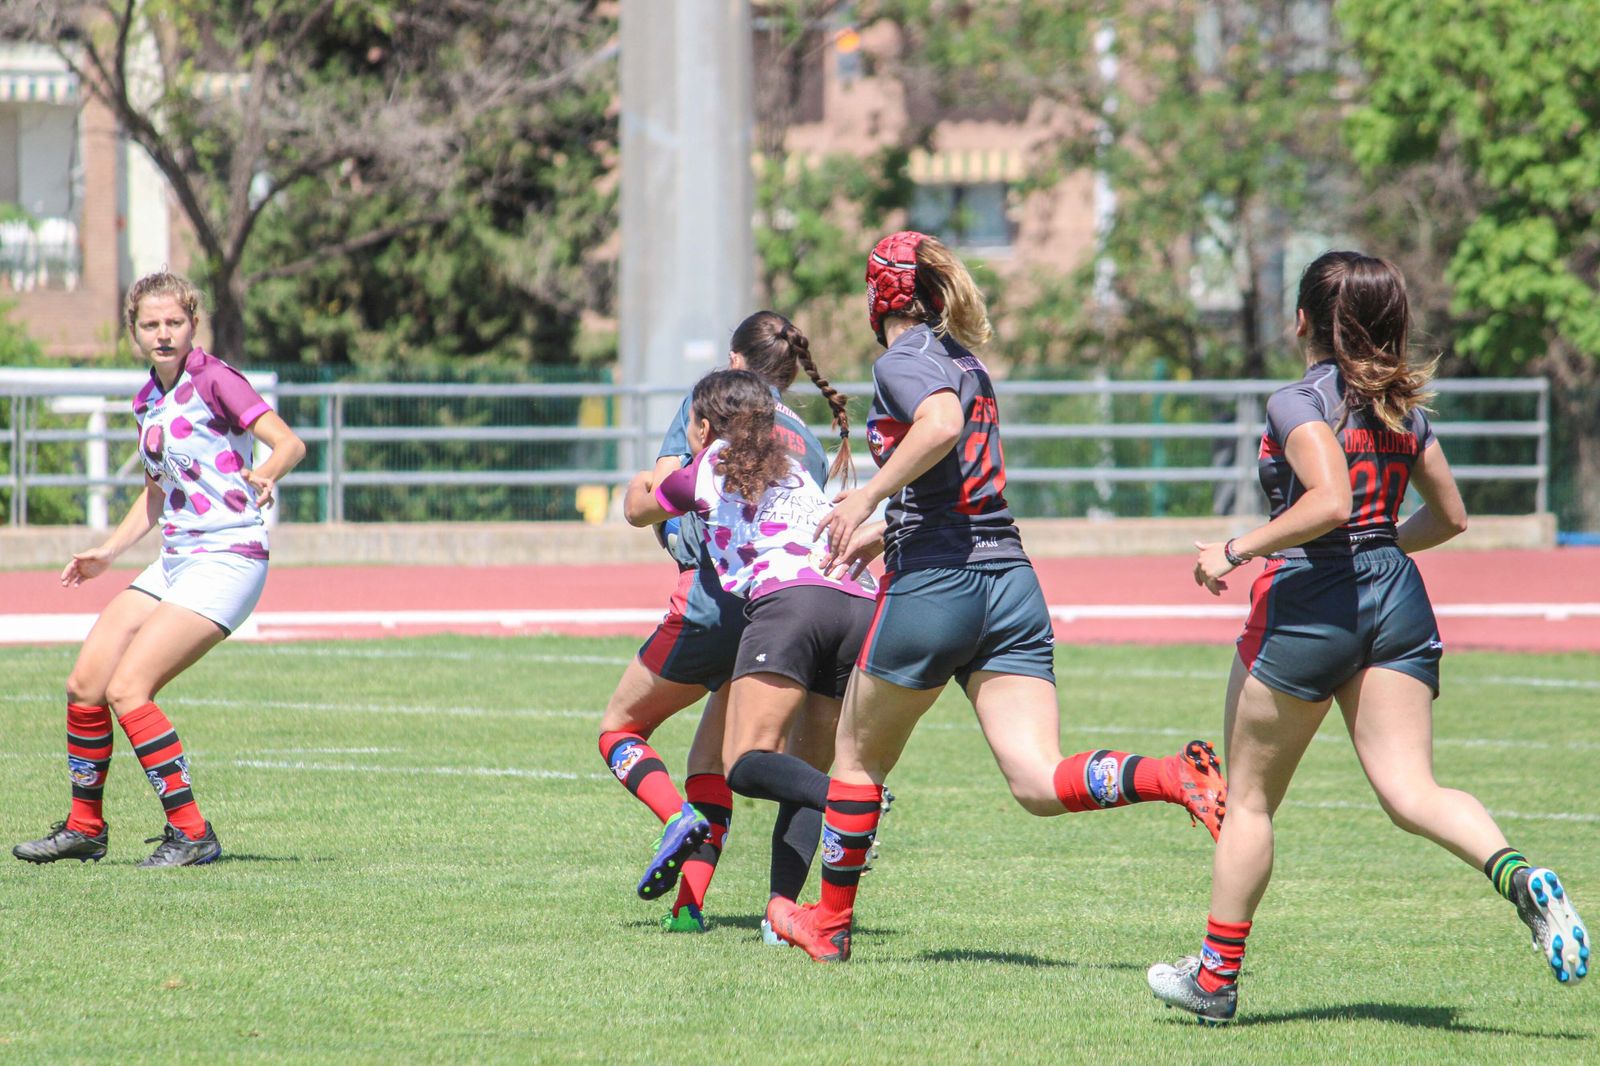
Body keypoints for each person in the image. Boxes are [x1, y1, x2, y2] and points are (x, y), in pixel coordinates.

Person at [1146, 251, 1588, 1023]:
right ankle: (1518, 875)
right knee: (1413, 792)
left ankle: (1215, 982)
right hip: (1396, 600)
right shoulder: (1402, 410)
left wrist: (1235, 550)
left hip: (1309, 602)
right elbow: (1450, 517)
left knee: (1248, 804)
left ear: (1304, 321)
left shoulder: (1299, 400)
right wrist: (1380, 547)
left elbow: (1330, 502)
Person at [765, 231, 1229, 962]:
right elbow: (958, 484)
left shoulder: (902, 359)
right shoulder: (966, 361)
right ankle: (1173, 776)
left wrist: (866, 500)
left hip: (937, 586)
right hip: (1009, 583)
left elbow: (940, 427)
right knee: (1039, 781)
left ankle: (827, 924)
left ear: (879, 297)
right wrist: (887, 528)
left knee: (853, 761)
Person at [12, 270, 305, 868]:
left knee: (129, 689)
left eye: (174, 322)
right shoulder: (147, 399)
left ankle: (192, 834)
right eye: (151, 324)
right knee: (86, 684)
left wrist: (267, 472)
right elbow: (156, 493)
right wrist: (107, 552)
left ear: (193, 324)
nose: (163, 333)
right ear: (135, 332)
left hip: (228, 556)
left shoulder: (216, 380)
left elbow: (290, 443)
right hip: (176, 559)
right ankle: (85, 828)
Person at [597, 311, 854, 933]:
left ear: (735, 362)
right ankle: (690, 910)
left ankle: (674, 818)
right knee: (715, 765)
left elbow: (659, 492)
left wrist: (643, 492)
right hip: (783, 611)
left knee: (619, 729)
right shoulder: (808, 439)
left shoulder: (713, 402)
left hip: (712, 600)